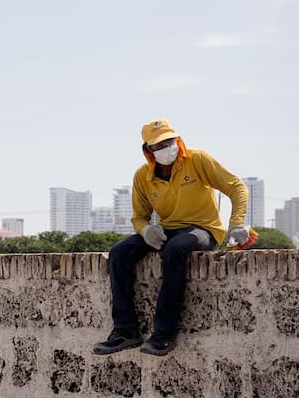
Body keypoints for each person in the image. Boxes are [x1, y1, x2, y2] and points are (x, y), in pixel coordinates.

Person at [95, 119, 250, 357]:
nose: (167, 147)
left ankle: (164, 333)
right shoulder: (143, 176)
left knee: (175, 249)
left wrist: (236, 222)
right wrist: (146, 230)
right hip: (167, 229)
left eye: (169, 141)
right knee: (119, 253)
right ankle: (125, 330)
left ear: (177, 139)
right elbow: (139, 217)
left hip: (203, 229)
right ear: (149, 151)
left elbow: (236, 186)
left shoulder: (197, 160)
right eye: (159, 145)